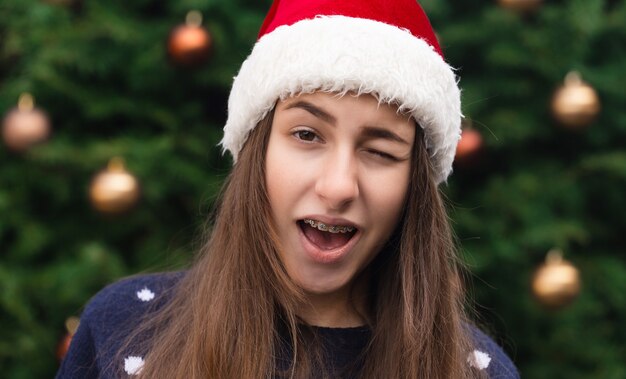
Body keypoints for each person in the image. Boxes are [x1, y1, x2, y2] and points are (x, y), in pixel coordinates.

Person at [57, 0, 520, 378]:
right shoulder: (123, 332)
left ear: (414, 188)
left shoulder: (476, 371)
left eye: (380, 151)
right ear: (257, 149)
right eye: (306, 135)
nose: (338, 186)